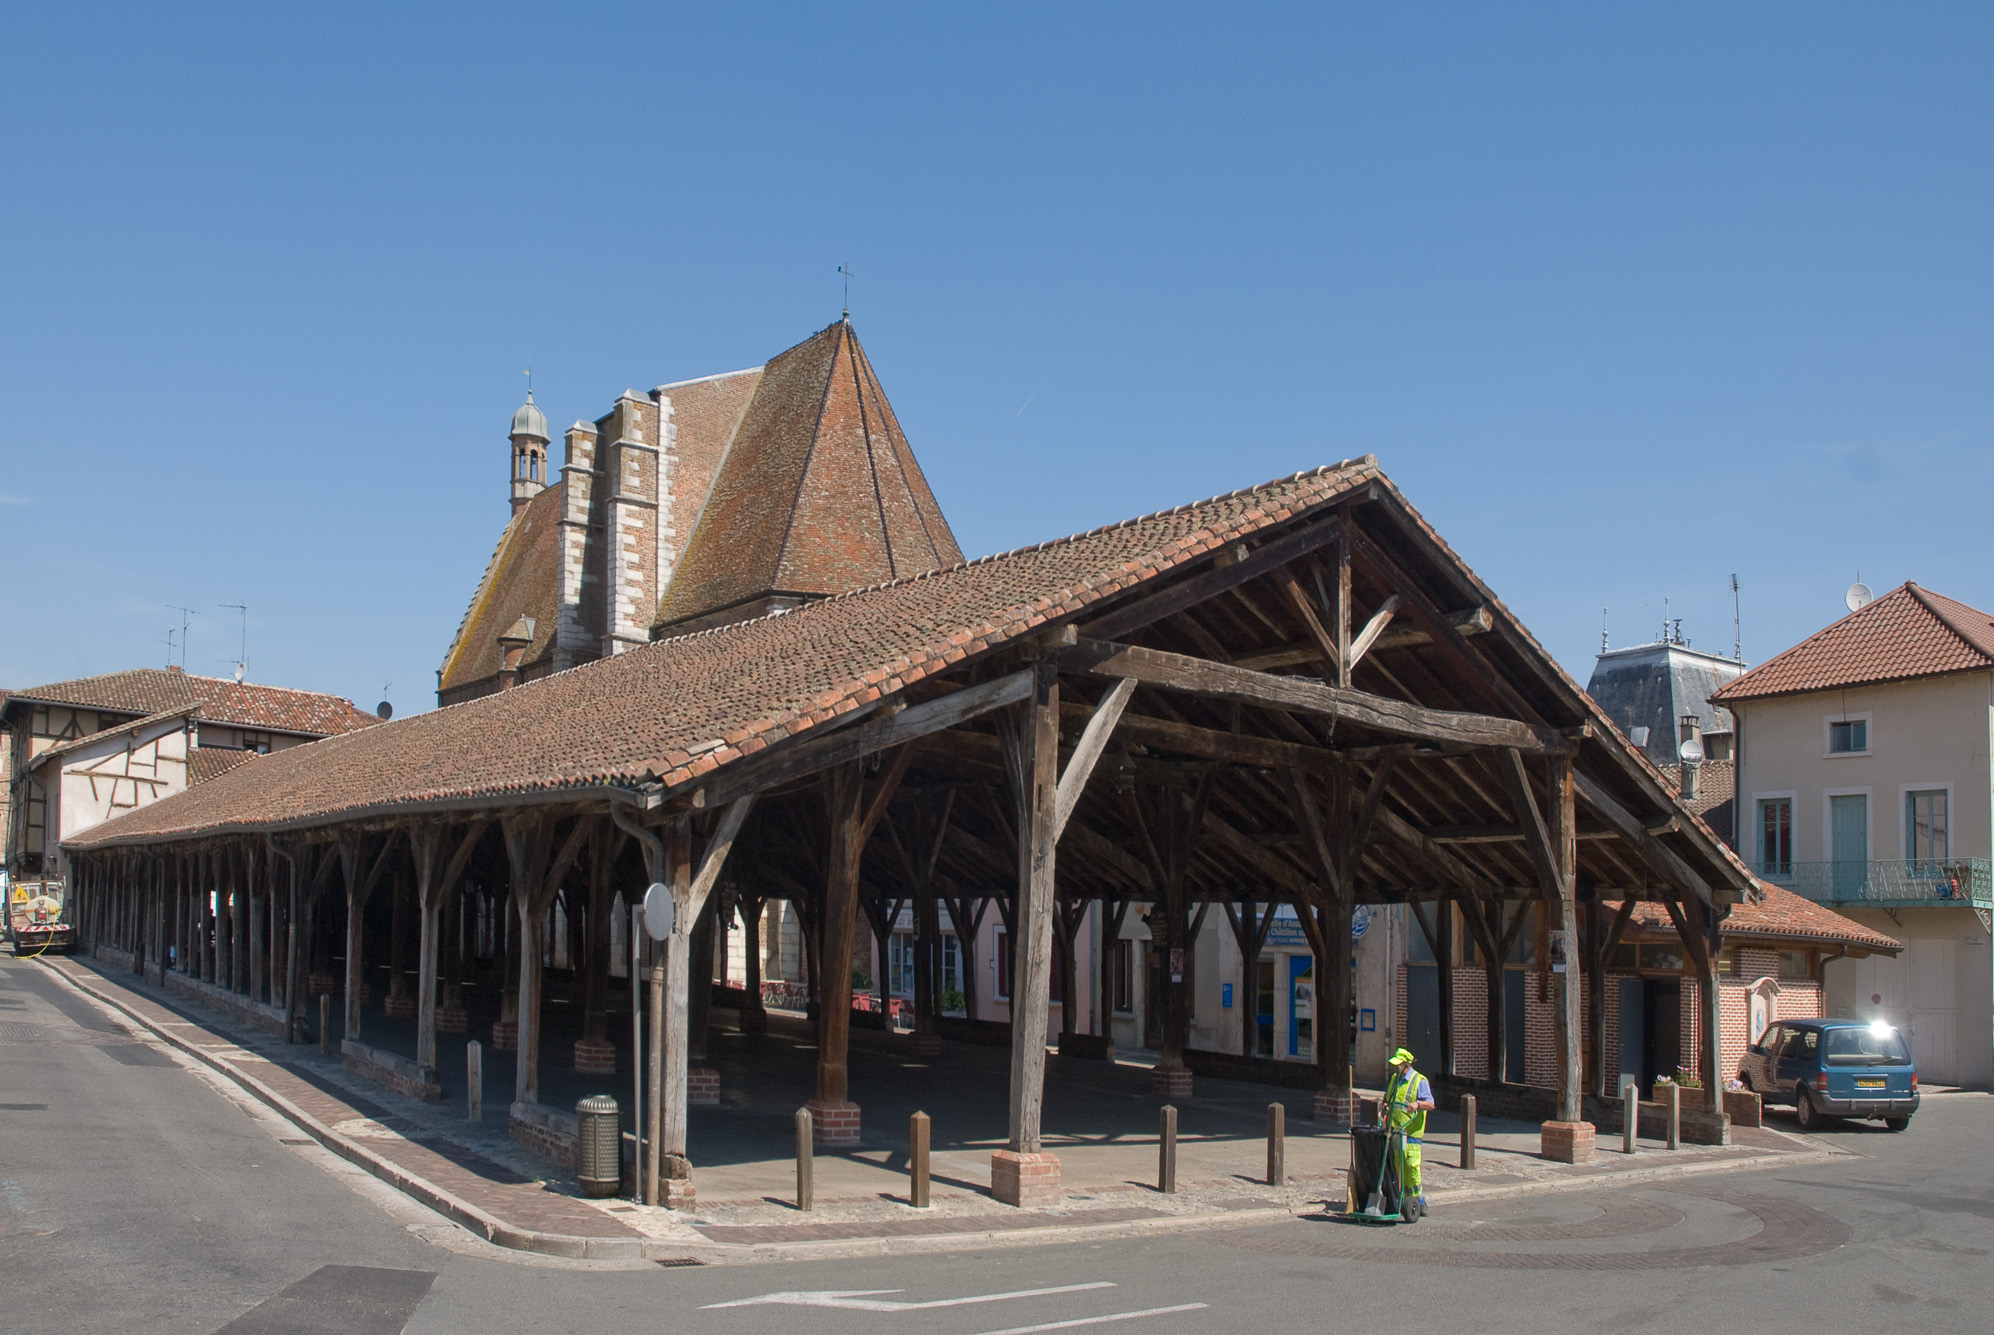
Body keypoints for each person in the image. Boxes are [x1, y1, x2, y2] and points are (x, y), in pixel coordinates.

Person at [1384, 1047, 1435, 1208]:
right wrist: (1384, 1105)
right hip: (1395, 1131)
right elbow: (1388, 1100)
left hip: (1411, 1132)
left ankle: (1418, 1202)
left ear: (1406, 1065)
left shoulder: (1420, 1081)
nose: (1396, 1068)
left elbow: (1430, 1103)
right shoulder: (1394, 1079)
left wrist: (1418, 1104)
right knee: (1395, 1166)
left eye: (1399, 1065)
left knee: (1411, 1167)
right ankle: (1399, 1199)